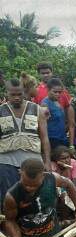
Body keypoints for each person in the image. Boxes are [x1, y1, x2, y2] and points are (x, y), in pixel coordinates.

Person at [0, 79, 51, 208]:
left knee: (34, 197)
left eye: (19, 94)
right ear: (7, 93)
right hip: (6, 162)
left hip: (32, 162)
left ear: (24, 92)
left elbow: (44, 138)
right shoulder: (1, 110)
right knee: (8, 197)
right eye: (13, 95)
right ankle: (9, 224)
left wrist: (47, 162)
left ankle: (33, 225)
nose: (17, 98)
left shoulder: (37, 109)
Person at [40, 78, 70, 149]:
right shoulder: (45, 104)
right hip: (52, 139)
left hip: (62, 137)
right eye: (55, 92)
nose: (58, 94)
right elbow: (42, 124)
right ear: (48, 90)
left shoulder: (57, 102)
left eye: (60, 92)